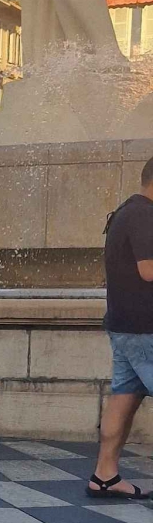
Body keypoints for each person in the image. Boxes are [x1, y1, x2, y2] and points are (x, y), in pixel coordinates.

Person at [87, 156, 153, 500]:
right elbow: (148, 270)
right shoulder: (144, 215)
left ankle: (105, 475)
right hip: (145, 328)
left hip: (124, 325)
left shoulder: (125, 212)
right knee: (124, 397)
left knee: (124, 397)